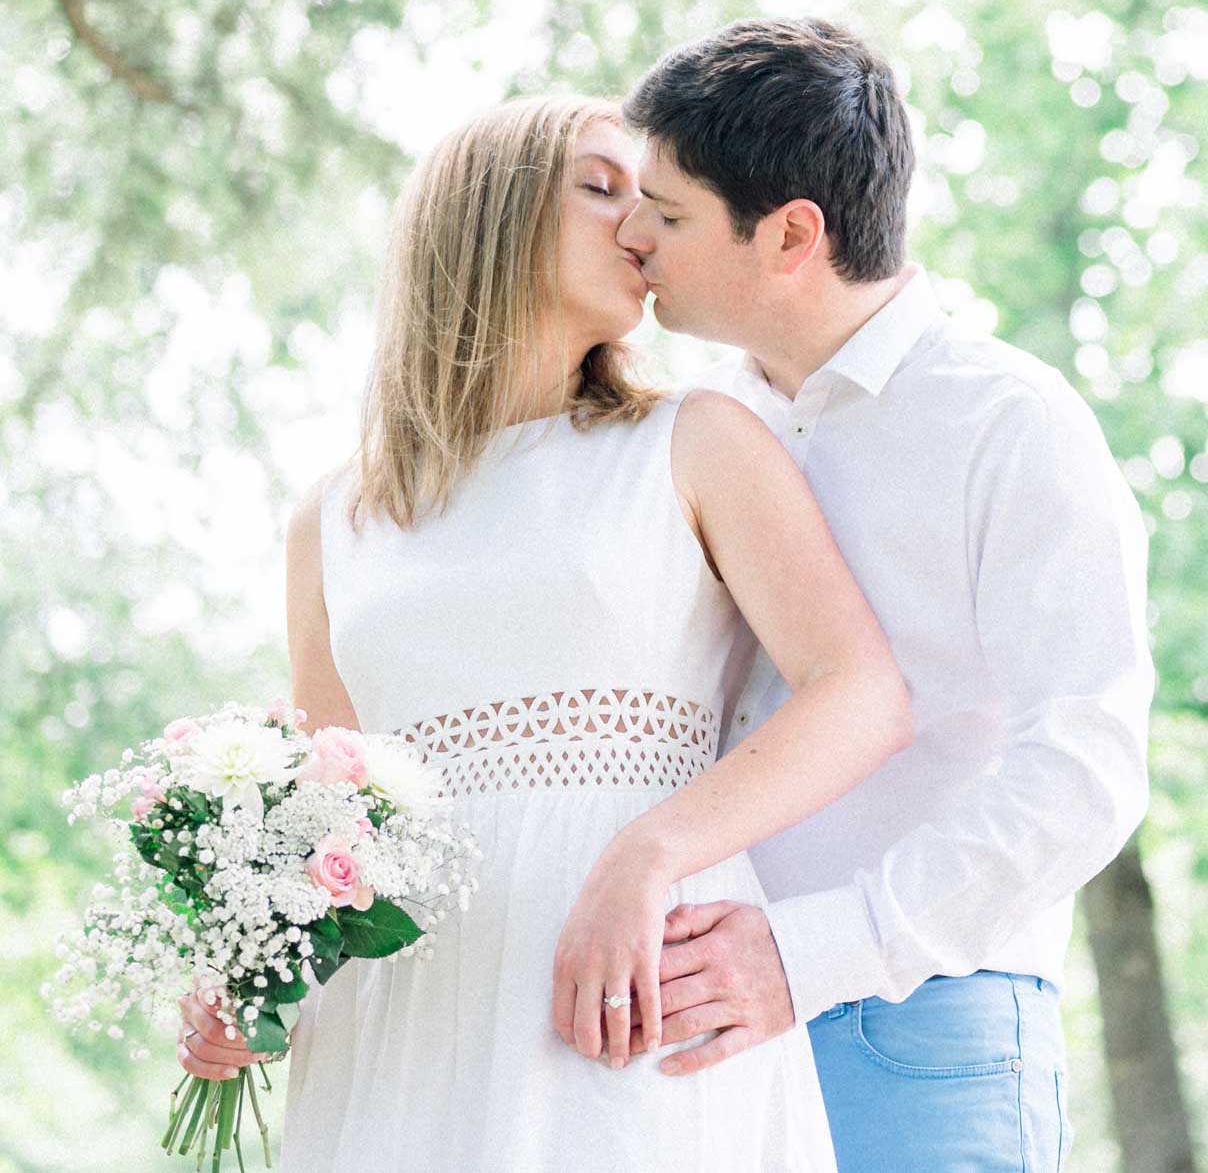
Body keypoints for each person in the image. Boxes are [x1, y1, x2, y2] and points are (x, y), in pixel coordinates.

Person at [175, 92, 914, 1172]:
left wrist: (647, 854)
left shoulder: (696, 439)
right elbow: (330, 814)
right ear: (489, 215)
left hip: (626, 979)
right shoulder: (335, 517)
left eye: (655, 199)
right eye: (603, 188)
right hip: (406, 1017)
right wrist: (250, 973)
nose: (640, 227)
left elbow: (861, 692)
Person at [611, 15, 1155, 1172]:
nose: (633, 238)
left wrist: (821, 950)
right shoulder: (686, 430)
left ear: (791, 234)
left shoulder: (1008, 421)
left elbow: (1085, 765)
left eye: (668, 214)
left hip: (925, 1022)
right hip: (701, 1042)